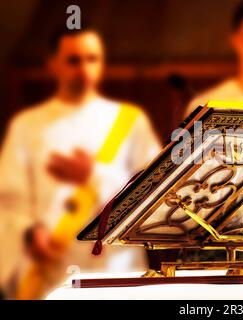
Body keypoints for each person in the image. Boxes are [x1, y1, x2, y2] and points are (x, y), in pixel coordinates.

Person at [0, 28, 161, 299]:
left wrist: (94, 176)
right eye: (74, 60)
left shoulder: (130, 122)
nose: (84, 68)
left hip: (115, 267)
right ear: (53, 65)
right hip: (49, 267)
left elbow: (156, 191)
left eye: (92, 59)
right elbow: (9, 199)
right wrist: (29, 233)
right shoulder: (26, 125)